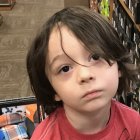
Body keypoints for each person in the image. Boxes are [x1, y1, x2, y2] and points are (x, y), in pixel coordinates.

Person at [26, 7, 140, 140]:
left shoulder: (134, 124)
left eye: (96, 57)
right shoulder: (46, 137)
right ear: (52, 90)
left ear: (118, 65)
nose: (85, 75)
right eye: (65, 69)